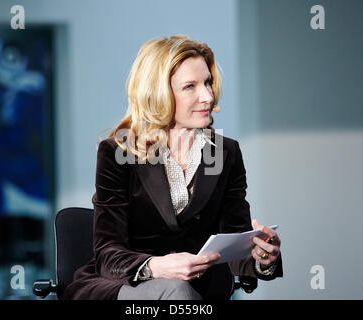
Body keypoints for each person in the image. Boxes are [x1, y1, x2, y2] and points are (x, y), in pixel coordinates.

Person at [62, 35, 283, 300]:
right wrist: (156, 266)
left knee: (181, 293)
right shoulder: (119, 152)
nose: (207, 96)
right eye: (190, 86)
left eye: (207, 82)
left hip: (198, 293)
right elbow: (108, 255)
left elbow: (232, 245)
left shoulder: (225, 152)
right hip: (124, 286)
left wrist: (261, 258)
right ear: (157, 93)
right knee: (175, 291)